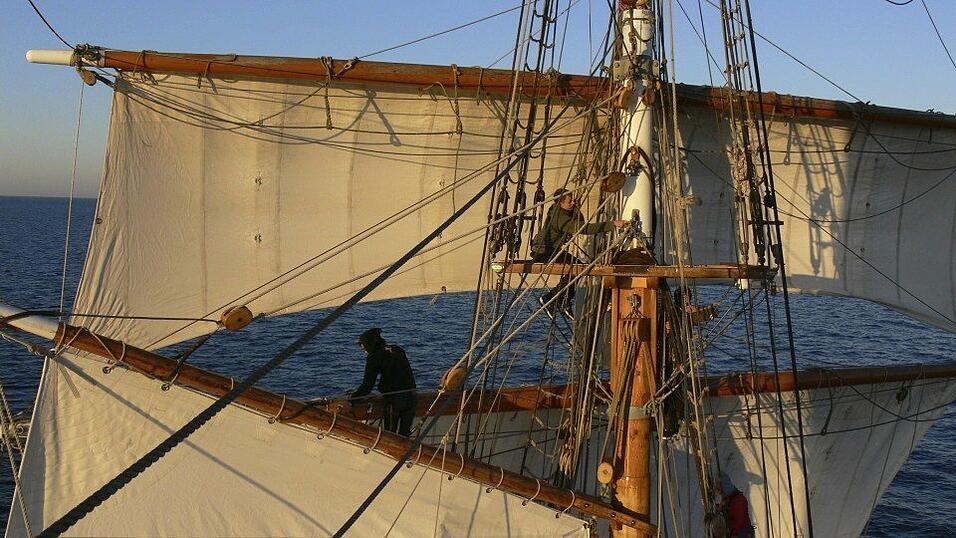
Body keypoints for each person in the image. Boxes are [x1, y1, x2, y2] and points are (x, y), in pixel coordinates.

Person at [530, 188, 628, 313]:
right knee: (578, 268)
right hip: (543, 252)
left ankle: (563, 301)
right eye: (569, 201)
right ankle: (550, 299)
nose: (572, 202)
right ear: (560, 203)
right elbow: (584, 228)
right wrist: (612, 224)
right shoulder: (560, 217)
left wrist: (575, 207)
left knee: (578, 268)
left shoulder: (561, 211)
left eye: (573, 200)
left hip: (551, 250)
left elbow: (580, 220)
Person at [350, 328, 417, 436]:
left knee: (390, 435)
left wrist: (352, 399)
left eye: (364, 349)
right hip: (411, 397)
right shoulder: (397, 350)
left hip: (394, 399)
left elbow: (367, 386)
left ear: (369, 345)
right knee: (404, 435)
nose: (365, 352)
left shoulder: (374, 357)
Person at [719, 472, 755, 538]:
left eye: (719, 489)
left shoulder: (738, 501)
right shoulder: (728, 498)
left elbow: (738, 523)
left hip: (742, 533)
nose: (718, 492)